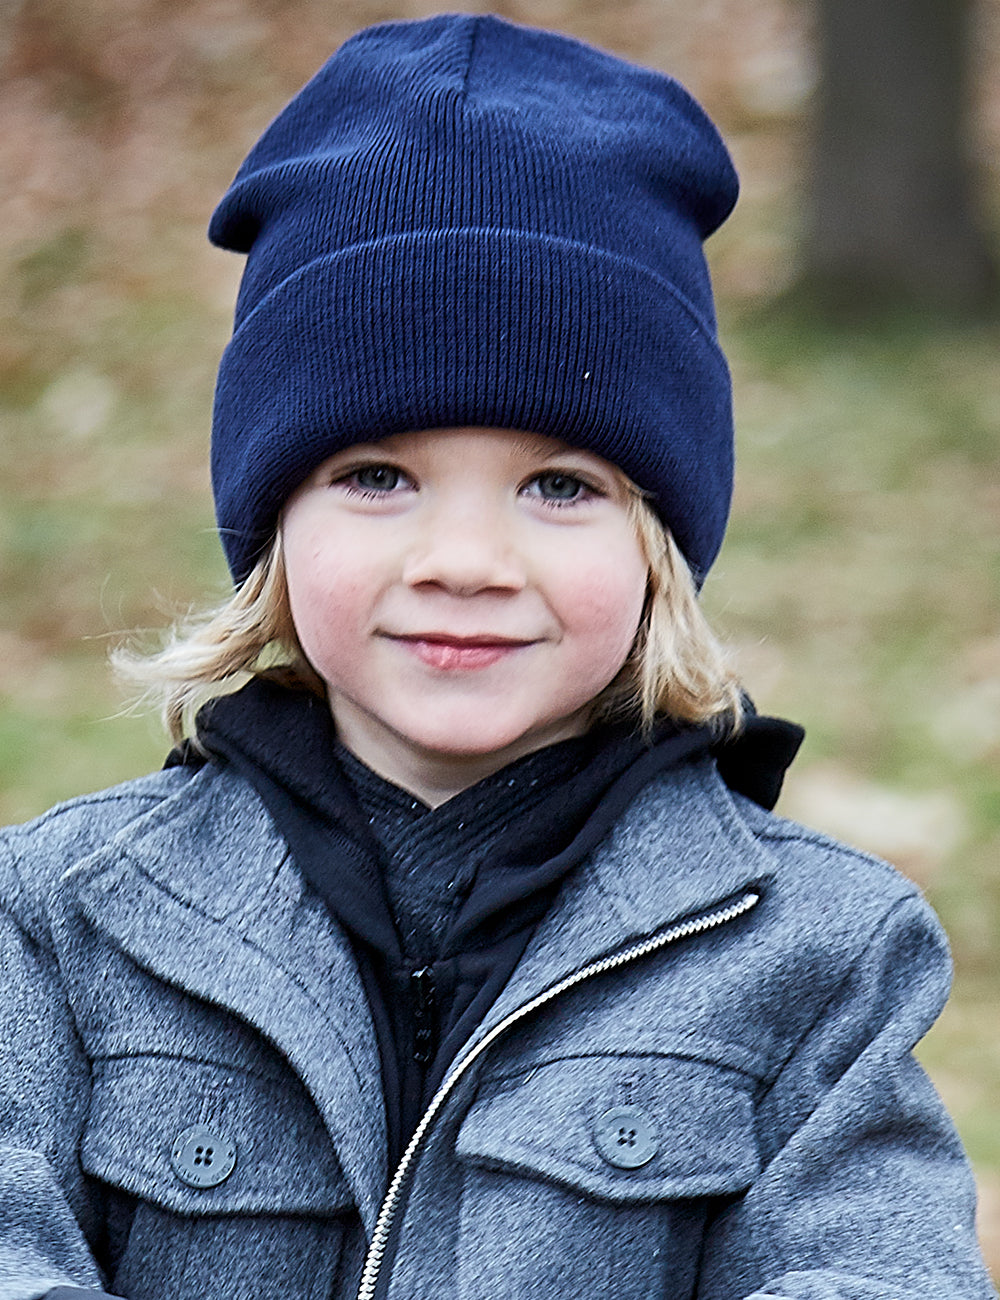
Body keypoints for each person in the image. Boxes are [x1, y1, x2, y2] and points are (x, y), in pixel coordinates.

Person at [0, 13, 995, 1300]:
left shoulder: (817, 954)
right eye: (376, 476)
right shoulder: (66, 919)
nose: (464, 557)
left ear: (660, 545)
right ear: (272, 526)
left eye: (560, 487)